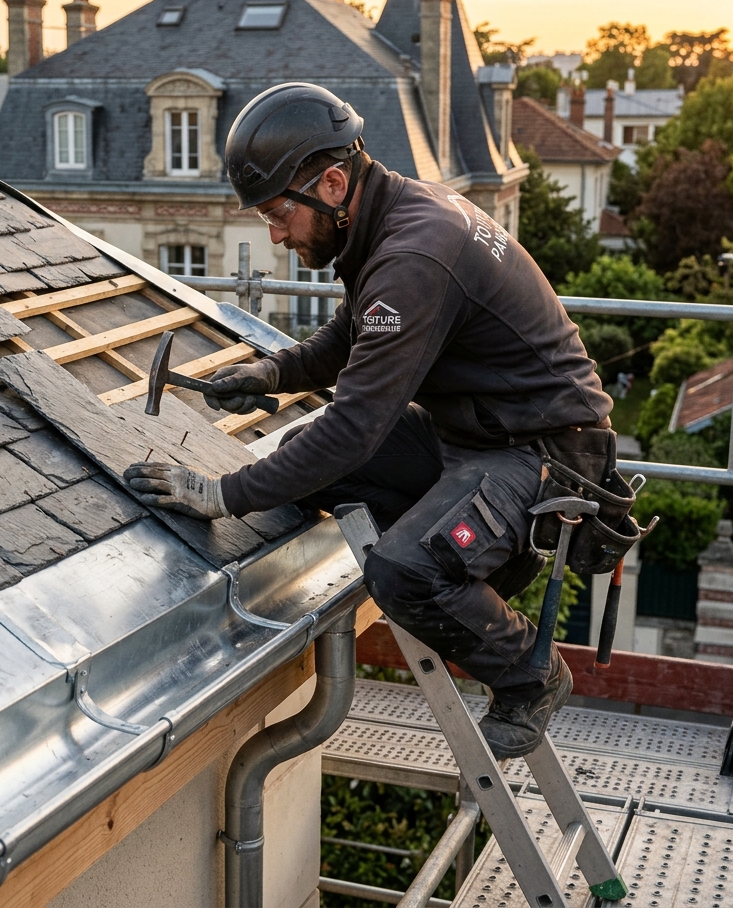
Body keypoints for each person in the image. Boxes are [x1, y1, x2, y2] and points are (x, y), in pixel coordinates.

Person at [126, 83, 615, 759]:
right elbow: (347, 339)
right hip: (475, 434)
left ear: (330, 183)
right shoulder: (388, 215)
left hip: (542, 456)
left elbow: (356, 425)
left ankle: (529, 673)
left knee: (404, 569)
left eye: (276, 214)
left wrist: (222, 494)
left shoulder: (414, 256)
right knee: (306, 456)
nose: (273, 234)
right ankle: (464, 561)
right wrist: (270, 374)